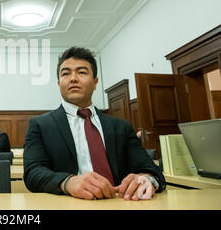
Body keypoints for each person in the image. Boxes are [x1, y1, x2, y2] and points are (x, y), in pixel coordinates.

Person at [23, 47, 165, 200]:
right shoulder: (40, 125)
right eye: (65, 73)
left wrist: (145, 179)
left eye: (82, 72)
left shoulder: (121, 127)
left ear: (95, 82)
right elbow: (32, 172)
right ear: (59, 83)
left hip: (118, 203)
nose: (73, 78)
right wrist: (68, 182)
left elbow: (150, 169)